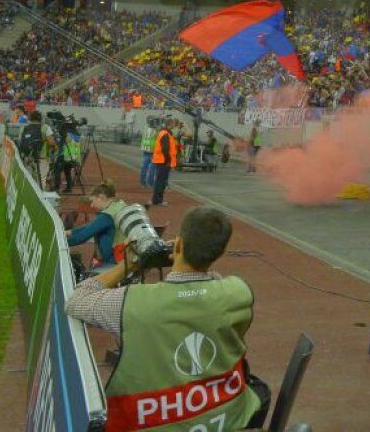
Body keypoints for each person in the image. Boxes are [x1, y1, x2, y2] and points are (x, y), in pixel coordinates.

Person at [65, 206, 269, 432]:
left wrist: (129, 264)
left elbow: (76, 300)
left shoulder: (132, 302)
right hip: (228, 419)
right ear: (220, 253)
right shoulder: (238, 292)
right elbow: (209, 289)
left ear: (178, 244)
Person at [66, 180, 127, 266]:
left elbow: (81, 237)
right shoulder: (119, 205)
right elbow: (92, 226)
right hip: (126, 258)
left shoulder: (107, 215)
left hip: (114, 263)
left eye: (92, 201)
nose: (92, 206)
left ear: (101, 197)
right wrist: (70, 232)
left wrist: (61, 243)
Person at [150, 119, 178, 207]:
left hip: (161, 160)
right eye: (173, 124)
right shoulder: (166, 134)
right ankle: (158, 200)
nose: (174, 126)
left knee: (160, 180)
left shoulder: (164, 133)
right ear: (170, 124)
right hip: (163, 161)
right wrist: (168, 160)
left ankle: (156, 199)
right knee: (161, 181)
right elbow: (165, 149)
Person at [138, 120, 156, 189]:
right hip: (152, 151)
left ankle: (142, 183)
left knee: (144, 167)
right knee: (152, 168)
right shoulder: (155, 131)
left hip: (145, 150)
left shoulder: (145, 130)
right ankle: (151, 183)